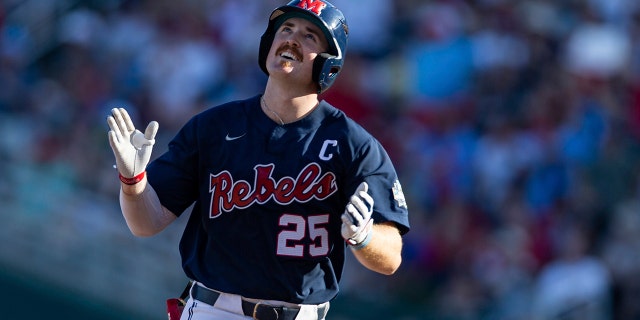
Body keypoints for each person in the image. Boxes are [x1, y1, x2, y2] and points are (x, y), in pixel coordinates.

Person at [106, 1, 410, 319]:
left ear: (328, 63)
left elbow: (391, 258)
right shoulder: (214, 127)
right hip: (213, 310)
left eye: (309, 36)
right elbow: (146, 223)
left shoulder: (354, 145)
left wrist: (364, 237)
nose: (292, 38)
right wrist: (133, 181)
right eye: (286, 29)